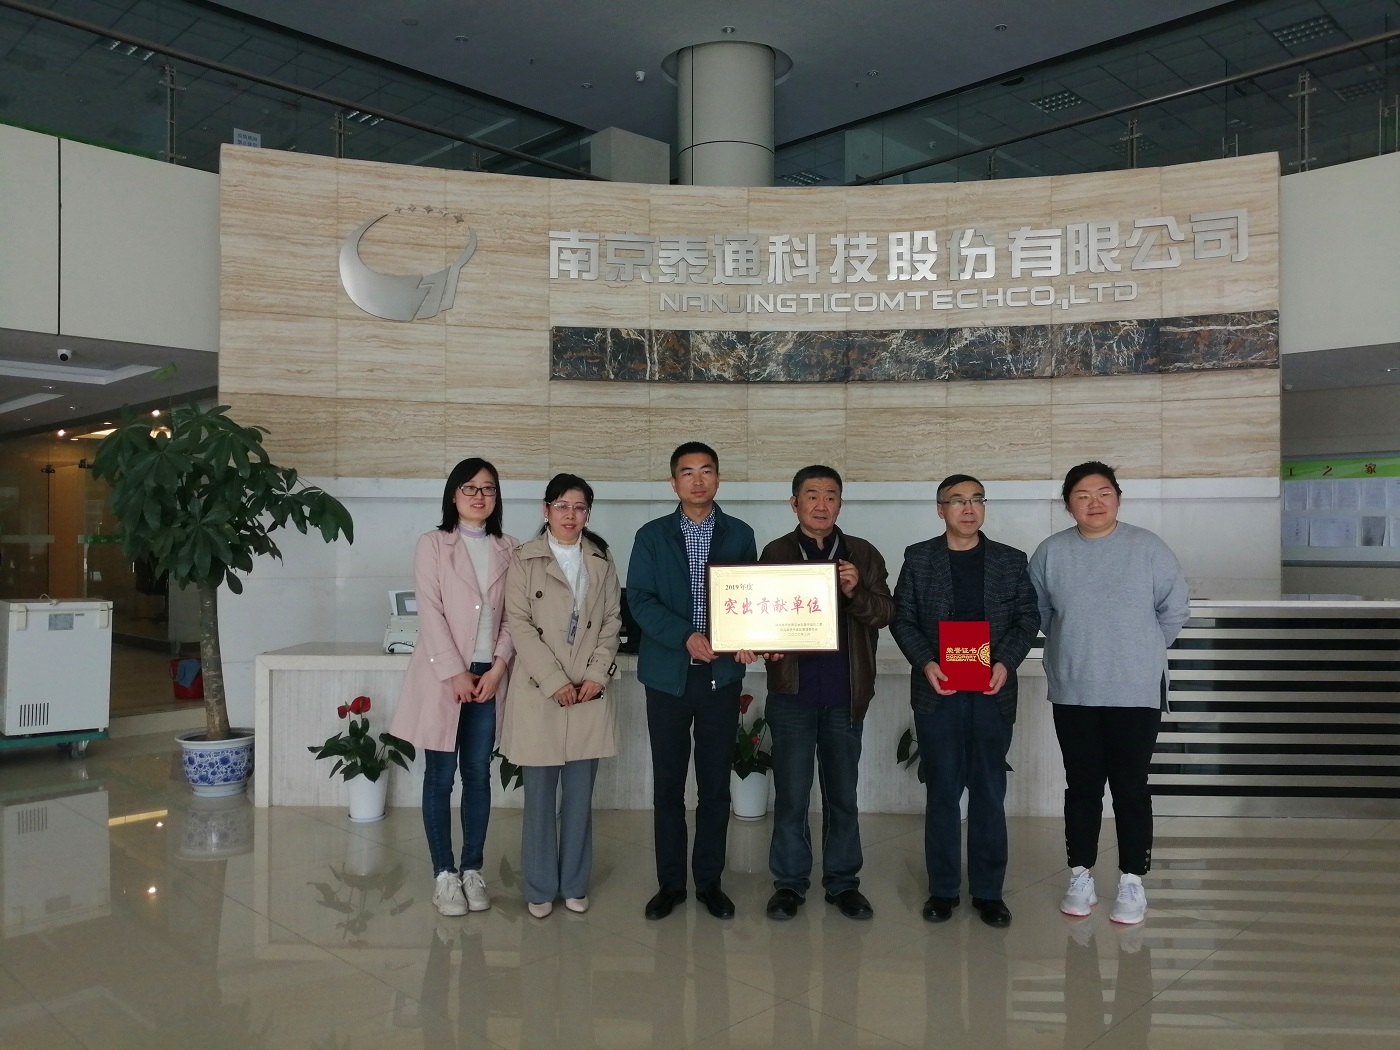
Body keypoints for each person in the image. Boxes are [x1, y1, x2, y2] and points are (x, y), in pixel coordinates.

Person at [1028, 461, 1190, 926]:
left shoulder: (1148, 547)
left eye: (1103, 493)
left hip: (1135, 689)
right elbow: (1040, 611)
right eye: (1082, 495)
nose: (1094, 503)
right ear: (1068, 504)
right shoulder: (1051, 552)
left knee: (1130, 787)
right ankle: (1080, 875)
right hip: (1074, 687)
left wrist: (1138, 649)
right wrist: (1079, 644)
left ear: (1118, 497)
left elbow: (1175, 609)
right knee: (1081, 787)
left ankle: (1132, 880)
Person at [890, 473, 1039, 928]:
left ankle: (989, 892)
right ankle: (943, 890)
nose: (968, 508)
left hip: (992, 691)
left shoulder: (1011, 560)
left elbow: (1027, 618)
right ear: (941, 510)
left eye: (976, 499)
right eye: (957, 501)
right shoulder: (919, 558)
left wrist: (1006, 662)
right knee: (942, 791)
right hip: (940, 692)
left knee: (990, 792)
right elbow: (902, 618)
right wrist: (925, 663)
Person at [627, 441, 758, 920]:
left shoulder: (740, 533)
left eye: (706, 471)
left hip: (721, 679)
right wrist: (685, 636)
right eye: (687, 472)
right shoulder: (651, 536)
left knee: (715, 786)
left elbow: (750, 598)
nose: (698, 480)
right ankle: (670, 884)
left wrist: (749, 638)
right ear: (673, 482)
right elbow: (640, 600)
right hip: (668, 678)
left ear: (718, 479)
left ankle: (709, 881)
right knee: (668, 785)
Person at [760, 465, 893, 922]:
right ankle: (789, 883)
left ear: (840, 503)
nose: (822, 504)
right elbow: (761, 614)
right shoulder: (777, 552)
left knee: (842, 796)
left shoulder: (863, 554)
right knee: (791, 796)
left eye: (831, 496)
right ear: (794, 503)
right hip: (792, 694)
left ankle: (843, 883)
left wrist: (855, 592)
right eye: (812, 495)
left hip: (845, 694)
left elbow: (886, 613)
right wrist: (761, 643)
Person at [391, 458, 515, 917]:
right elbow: (430, 613)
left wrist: (498, 667)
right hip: (444, 675)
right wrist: (455, 673)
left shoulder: (510, 548)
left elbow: (514, 617)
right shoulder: (433, 544)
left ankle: (472, 869)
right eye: (470, 487)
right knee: (440, 776)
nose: (479, 496)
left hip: (489, 675)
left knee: (478, 774)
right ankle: (444, 874)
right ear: (453, 494)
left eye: (488, 488)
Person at [501, 474, 622, 918]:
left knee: (578, 798)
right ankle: (538, 887)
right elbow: (518, 625)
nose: (571, 515)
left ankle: (574, 883)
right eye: (562, 506)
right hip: (541, 692)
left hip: (588, 692)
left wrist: (596, 675)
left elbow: (611, 621)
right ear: (546, 509)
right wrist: (555, 681)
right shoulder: (524, 559)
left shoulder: (601, 558)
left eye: (580, 507)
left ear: (588, 512)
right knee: (538, 799)